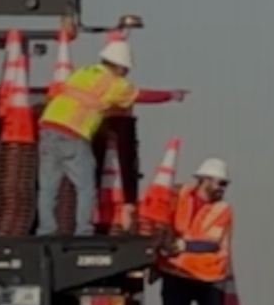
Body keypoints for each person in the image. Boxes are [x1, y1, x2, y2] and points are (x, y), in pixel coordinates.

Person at [36, 39, 184, 236]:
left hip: (48, 129)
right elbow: (142, 96)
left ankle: (45, 230)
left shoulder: (83, 72)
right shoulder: (115, 84)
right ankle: (84, 231)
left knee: (48, 187)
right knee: (86, 188)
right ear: (121, 67)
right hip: (73, 134)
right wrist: (170, 95)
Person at [156, 158, 233, 305]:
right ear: (204, 180)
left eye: (225, 185)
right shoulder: (179, 195)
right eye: (220, 183)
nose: (222, 189)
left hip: (208, 276)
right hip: (176, 273)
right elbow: (159, 215)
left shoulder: (222, 209)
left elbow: (211, 243)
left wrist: (182, 245)